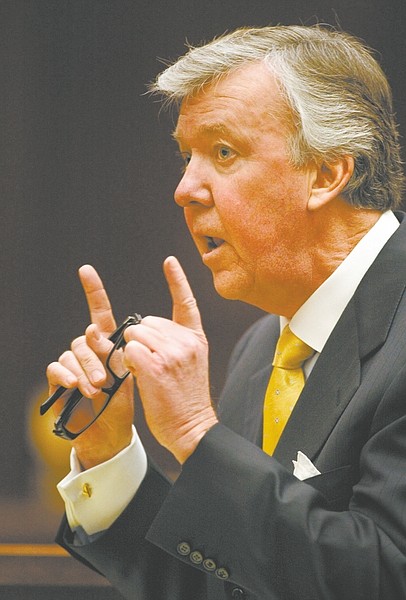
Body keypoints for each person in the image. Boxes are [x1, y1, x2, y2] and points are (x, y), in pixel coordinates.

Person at [46, 25, 406, 599]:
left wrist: (195, 433)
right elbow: (234, 583)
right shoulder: (262, 349)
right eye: (186, 157)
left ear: (328, 173)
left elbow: (386, 580)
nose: (185, 188)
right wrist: (107, 453)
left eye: (223, 152)